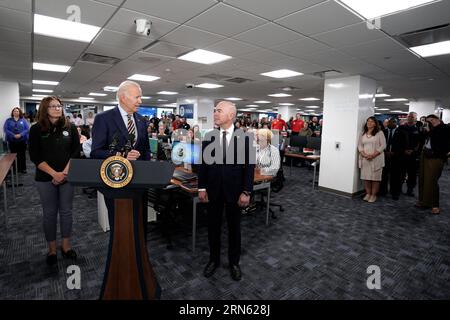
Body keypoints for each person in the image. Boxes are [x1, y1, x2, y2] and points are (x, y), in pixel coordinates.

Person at [198, 101, 255, 281]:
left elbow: (249, 167)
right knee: (213, 228)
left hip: (235, 191)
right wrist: (202, 187)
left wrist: (246, 191)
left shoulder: (245, 138)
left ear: (230, 115)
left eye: (219, 111)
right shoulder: (209, 136)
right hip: (213, 191)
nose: (215, 113)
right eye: (215, 110)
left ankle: (234, 262)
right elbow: (203, 165)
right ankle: (213, 260)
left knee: (234, 229)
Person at [28, 96, 80, 265]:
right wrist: (54, 174)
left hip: (68, 177)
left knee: (66, 212)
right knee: (49, 214)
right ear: (44, 109)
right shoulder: (36, 129)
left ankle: (66, 246)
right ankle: (51, 250)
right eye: (53, 106)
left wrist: (63, 174)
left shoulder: (70, 127)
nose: (57, 108)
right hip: (45, 178)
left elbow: (75, 153)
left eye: (59, 106)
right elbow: (35, 156)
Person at [416, 114, 450, 214]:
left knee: (432, 181)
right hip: (425, 154)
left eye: (430, 120)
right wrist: (425, 130)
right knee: (422, 179)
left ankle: (435, 205)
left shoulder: (445, 128)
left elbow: (446, 144)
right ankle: (423, 201)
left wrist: (439, 153)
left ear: (436, 119)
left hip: (436, 157)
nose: (429, 123)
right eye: (428, 121)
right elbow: (422, 138)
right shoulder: (430, 129)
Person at [358, 116, 386, 203]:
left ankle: (373, 195)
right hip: (365, 158)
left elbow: (383, 146)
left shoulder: (379, 133)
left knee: (375, 178)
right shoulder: (363, 133)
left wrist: (373, 155)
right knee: (366, 177)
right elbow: (360, 145)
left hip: (376, 158)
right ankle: (368, 193)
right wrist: (364, 154)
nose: (369, 123)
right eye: (368, 121)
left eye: (371, 121)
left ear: (375, 123)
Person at [380, 118, 408, 200]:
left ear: (397, 123)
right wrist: (385, 151)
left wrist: (395, 152)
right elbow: (379, 143)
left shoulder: (402, 132)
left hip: (397, 157)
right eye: (390, 122)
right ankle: (383, 191)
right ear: (387, 123)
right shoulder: (383, 132)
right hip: (384, 156)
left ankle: (395, 193)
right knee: (384, 175)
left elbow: (405, 145)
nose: (392, 123)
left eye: (394, 122)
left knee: (395, 176)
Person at [399, 112, 423, 196]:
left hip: (413, 155)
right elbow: (397, 141)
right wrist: (403, 150)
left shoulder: (419, 129)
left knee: (412, 173)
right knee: (401, 172)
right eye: (409, 116)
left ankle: (410, 189)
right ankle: (399, 188)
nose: (410, 118)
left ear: (416, 118)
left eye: (412, 117)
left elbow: (420, 142)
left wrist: (413, 150)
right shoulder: (401, 128)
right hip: (402, 154)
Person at [3, 107, 30, 173]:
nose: (16, 112)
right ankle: (14, 169)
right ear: (12, 113)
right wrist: (13, 135)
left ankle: (23, 169)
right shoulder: (8, 120)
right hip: (12, 141)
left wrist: (20, 134)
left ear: (19, 112)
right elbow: (5, 129)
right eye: (14, 111)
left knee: (22, 155)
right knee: (13, 155)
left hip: (22, 141)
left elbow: (27, 129)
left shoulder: (23, 120)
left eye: (17, 111)